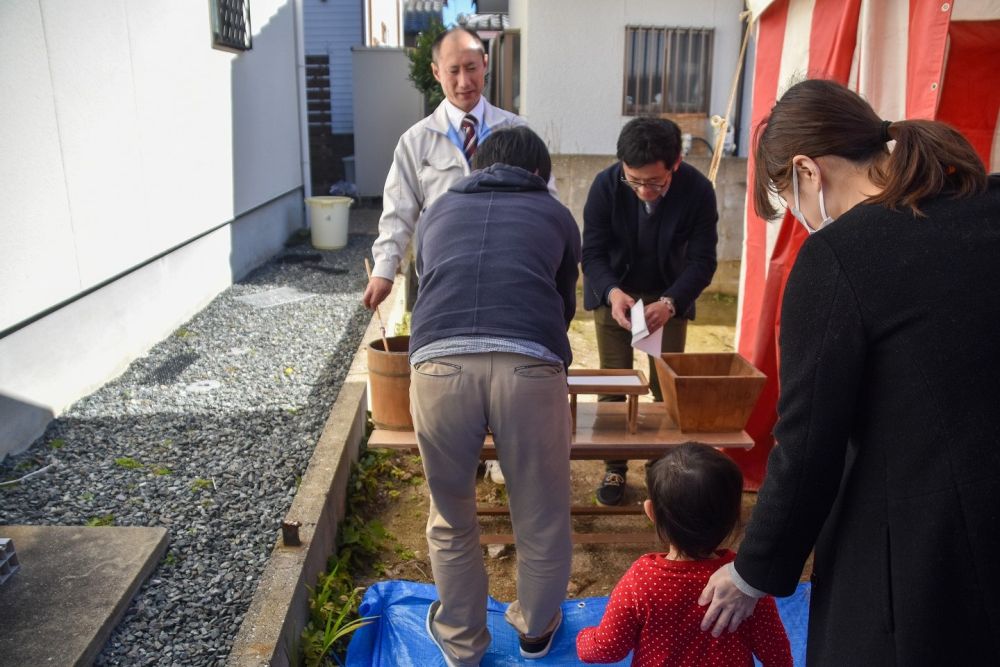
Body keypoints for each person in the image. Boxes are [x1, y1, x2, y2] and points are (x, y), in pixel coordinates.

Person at [698, 79, 1000, 665]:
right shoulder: (986, 204)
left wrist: (753, 572)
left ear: (808, 171)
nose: (796, 218)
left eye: (786, 199)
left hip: (919, 554)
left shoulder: (838, 259)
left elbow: (809, 447)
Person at [410, 126, 580, 666]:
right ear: (539, 174)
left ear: (477, 166)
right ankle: (535, 631)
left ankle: (461, 643)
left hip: (438, 364)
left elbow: (424, 288)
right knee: (543, 513)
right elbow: (562, 301)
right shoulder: (555, 214)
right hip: (528, 363)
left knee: (451, 511)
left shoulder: (436, 211)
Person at [363, 26, 544, 486]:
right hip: (443, 277)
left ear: (485, 64)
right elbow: (398, 210)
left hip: (509, 274)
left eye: (471, 68)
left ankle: (505, 448)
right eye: (453, 71)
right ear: (436, 73)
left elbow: (547, 199)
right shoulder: (416, 141)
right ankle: (465, 451)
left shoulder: (516, 130)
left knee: (503, 361)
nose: (464, 81)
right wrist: (385, 270)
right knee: (453, 365)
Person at [581, 117, 719, 505]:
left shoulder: (697, 191)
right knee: (613, 384)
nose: (643, 190)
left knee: (666, 389)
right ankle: (614, 467)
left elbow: (703, 261)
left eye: (654, 182)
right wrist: (611, 292)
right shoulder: (606, 186)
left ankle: (665, 475)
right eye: (634, 180)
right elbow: (590, 252)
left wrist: (671, 302)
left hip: (668, 297)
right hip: (616, 295)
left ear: (675, 164)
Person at [576, 443, 792, 666]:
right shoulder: (745, 580)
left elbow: (607, 648)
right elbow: (777, 655)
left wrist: (583, 639)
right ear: (734, 516)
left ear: (651, 512)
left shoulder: (641, 581)